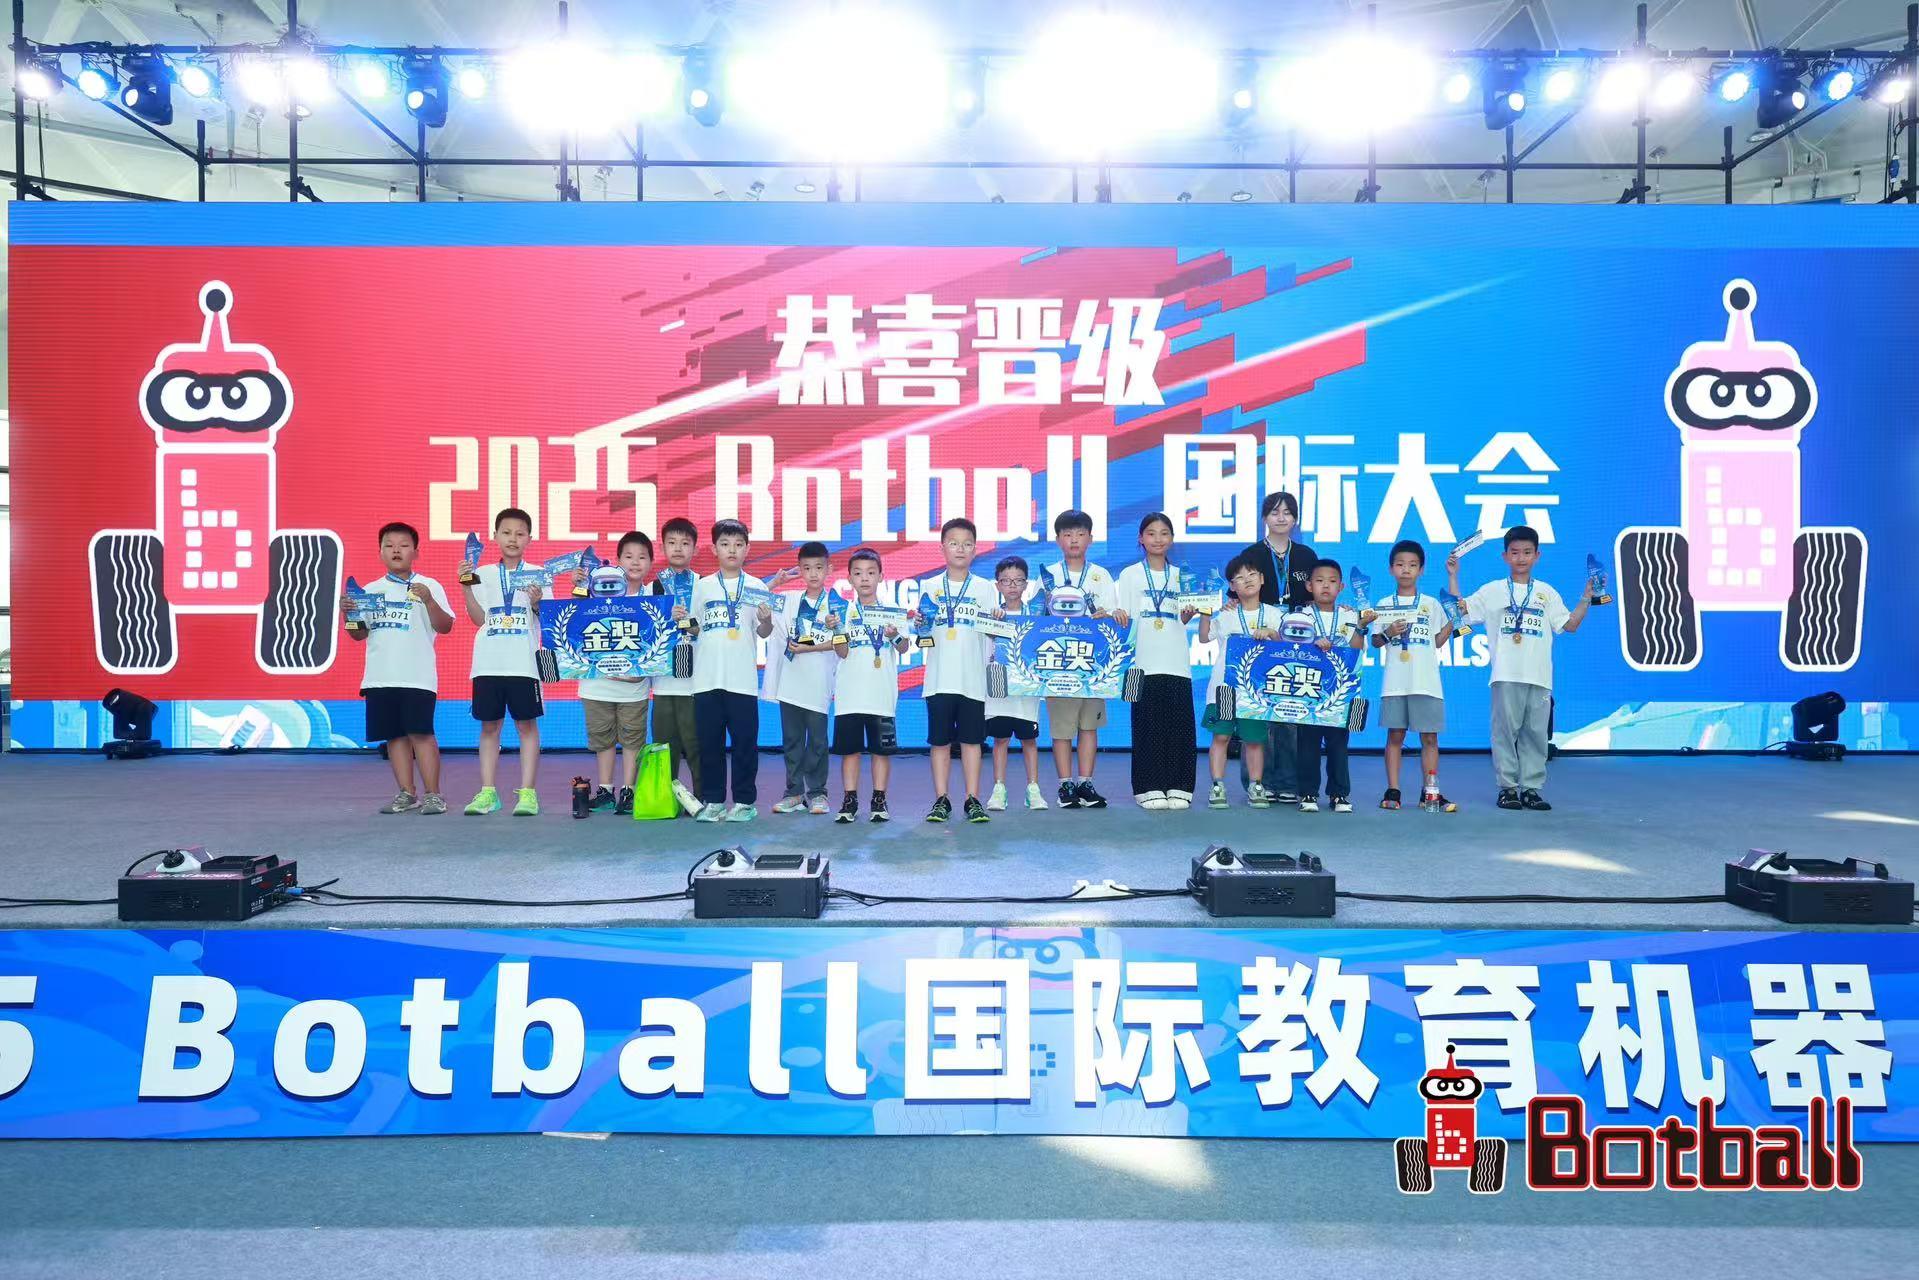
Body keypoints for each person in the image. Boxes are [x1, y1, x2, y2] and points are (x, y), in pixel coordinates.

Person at [1447, 524, 1598, 811]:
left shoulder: (1546, 593)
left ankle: (1531, 789)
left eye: (1527, 552)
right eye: (1515, 552)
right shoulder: (1492, 591)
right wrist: (1453, 576)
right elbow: (1459, 610)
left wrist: (1586, 597)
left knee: (1536, 735)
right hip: (1505, 675)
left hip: (1539, 677)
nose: (1521, 558)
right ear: (1505, 556)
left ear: (1537, 556)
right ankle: (1507, 789)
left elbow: (1570, 625)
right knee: (1505, 733)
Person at [344, 520, 454, 815]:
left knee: (422, 734)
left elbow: (445, 626)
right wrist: (349, 615)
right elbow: (358, 634)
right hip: (380, 678)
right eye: (389, 545)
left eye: (404, 545)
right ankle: (407, 793)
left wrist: (428, 600)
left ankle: (434, 795)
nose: (396, 550)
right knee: (394, 736)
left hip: (418, 677)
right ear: (380, 552)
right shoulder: (369, 591)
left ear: (415, 552)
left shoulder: (429, 586)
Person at [1234, 491, 1317, 804]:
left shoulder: (1306, 556)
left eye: (1287, 512)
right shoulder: (1252, 554)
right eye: (1274, 512)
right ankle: (1258, 782)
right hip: (1260, 642)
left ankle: (1289, 782)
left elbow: (1318, 596)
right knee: (1259, 711)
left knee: (1292, 712)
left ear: (1295, 518)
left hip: (1296, 643)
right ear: (1264, 517)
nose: (1281, 518)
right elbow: (1237, 594)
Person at [461, 507, 545, 816]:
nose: (513, 538)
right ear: (495, 536)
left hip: (524, 664)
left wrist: (536, 602)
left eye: (520, 534)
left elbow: (547, 619)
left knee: (526, 726)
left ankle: (528, 794)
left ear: (529, 539)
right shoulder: (482, 573)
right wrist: (466, 586)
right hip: (488, 664)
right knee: (489, 727)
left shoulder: (538, 574)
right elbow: (478, 619)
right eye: (506, 532)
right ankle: (488, 793)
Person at [690, 518, 775, 822]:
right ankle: (713, 801)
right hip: (706, 680)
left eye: (739, 545)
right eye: (725, 544)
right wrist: (681, 620)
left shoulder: (757, 587)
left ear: (747, 549)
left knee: (744, 746)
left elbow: (764, 632)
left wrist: (766, 620)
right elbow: (693, 628)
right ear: (714, 549)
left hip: (742, 681)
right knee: (709, 745)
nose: (732, 550)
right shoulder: (701, 587)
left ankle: (744, 802)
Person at [1114, 512, 1199, 809]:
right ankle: (1147, 787)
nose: (1158, 539)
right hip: (1141, 662)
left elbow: (1185, 618)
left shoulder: (1182, 575)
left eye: (1164, 533)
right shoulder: (1129, 575)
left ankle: (1180, 786)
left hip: (1176, 660)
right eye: (1151, 533)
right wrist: (1118, 615)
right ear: (1141, 538)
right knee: (1146, 727)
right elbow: (1124, 617)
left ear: (1172, 539)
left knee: (1179, 727)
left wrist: (1188, 615)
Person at [1036, 509, 1119, 808]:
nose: (1074, 540)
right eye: (1067, 534)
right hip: (1058, 664)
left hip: (1091, 664)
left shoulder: (1101, 575)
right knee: (1062, 728)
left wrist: (1106, 615)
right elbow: (1035, 619)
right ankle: (1065, 785)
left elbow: (1112, 615)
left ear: (1090, 539)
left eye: (1080, 534)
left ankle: (1086, 783)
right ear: (1058, 539)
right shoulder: (1047, 575)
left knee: (1088, 726)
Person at [916, 516, 996, 824]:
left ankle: (972, 799)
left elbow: (992, 633)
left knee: (972, 742)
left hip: (972, 679)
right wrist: (919, 624)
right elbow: (921, 633)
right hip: (938, 679)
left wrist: (998, 622)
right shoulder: (930, 586)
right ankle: (941, 799)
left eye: (966, 544)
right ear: (942, 548)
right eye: (953, 543)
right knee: (939, 742)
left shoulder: (985, 588)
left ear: (975, 549)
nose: (960, 549)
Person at [1370, 538, 1455, 811]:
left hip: (1426, 682)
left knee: (1430, 738)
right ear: (1391, 569)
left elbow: (1438, 641)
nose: (1406, 570)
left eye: (1412, 565)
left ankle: (1430, 792)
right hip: (1396, 683)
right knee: (1395, 736)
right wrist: (1388, 632)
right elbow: (1375, 641)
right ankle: (1393, 791)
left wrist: (1453, 620)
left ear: (1421, 569)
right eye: (1400, 564)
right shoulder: (1384, 604)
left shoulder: (1431, 604)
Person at [831, 548, 911, 823]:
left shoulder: (893, 612)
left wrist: (894, 635)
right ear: (849, 579)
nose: (864, 578)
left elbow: (903, 648)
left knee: (881, 751)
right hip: (849, 695)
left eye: (870, 573)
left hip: (881, 694)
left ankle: (879, 800)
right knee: (850, 751)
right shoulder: (842, 613)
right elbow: (841, 652)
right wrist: (837, 631)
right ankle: (849, 801)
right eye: (858, 573)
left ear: (881, 577)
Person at [1286, 560, 1370, 813]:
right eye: (1320, 581)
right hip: (1307, 690)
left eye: (1332, 581)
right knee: (1307, 744)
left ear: (1341, 587)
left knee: (1338, 744)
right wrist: (1312, 642)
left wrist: (1360, 628)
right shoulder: (1299, 616)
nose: (1326, 586)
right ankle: (1308, 793)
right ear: (1309, 586)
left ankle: (1339, 794)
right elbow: (1289, 649)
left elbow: (1356, 651)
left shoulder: (1349, 615)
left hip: (1339, 691)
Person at [579, 531, 654, 816]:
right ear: (618, 560)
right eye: (628, 556)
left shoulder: (654, 598)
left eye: (642, 557)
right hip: (597, 685)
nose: (635, 562)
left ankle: (629, 791)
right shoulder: (595, 590)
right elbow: (575, 628)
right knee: (603, 739)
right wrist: (579, 587)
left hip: (634, 687)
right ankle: (606, 790)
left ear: (650, 562)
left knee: (633, 739)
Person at [1199, 552, 1281, 809]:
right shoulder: (1226, 615)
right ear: (1232, 586)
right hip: (1224, 688)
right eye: (1240, 578)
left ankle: (1256, 786)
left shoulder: (1274, 614)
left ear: (1262, 579)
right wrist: (1205, 610)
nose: (1247, 580)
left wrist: (1271, 633)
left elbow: (1286, 644)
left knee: (1254, 741)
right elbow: (1203, 637)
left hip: (1256, 690)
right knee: (1221, 737)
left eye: (1252, 575)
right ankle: (1217, 785)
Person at [766, 541, 840, 816]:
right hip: (790, 683)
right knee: (792, 741)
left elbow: (842, 641)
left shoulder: (836, 604)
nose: (813, 574)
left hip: (819, 683)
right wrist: (775, 583)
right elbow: (752, 599)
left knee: (818, 742)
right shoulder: (789, 600)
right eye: (807, 568)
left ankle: (818, 793)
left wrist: (810, 646)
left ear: (829, 569)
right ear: (799, 570)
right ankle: (794, 793)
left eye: (819, 568)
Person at [983, 555, 1047, 812]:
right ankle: (999, 789)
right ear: (997, 585)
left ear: (1026, 584)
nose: (1012, 586)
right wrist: (992, 624)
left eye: (1018, 581)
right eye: (1006, 581)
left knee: (1029, 740)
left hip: (1027, 688)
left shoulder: (1037, 615)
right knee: (1000, 740)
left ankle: (1033, 789)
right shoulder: (992, 614)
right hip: (999, 687)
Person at [650, 516, 704, 816]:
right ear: (662, 547)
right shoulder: (652, 587)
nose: (678, 548)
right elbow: (646, 632)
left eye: (685, 543)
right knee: (664, 745)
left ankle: (703, 799)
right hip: (663, 681)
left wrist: (692, 625)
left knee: (697, 746)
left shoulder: (705, 585)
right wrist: (663, 619)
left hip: (696, 682)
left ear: (695, 548)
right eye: (672, 542)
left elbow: (710, 628)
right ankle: (665, 801)